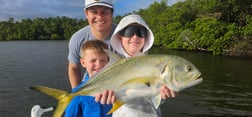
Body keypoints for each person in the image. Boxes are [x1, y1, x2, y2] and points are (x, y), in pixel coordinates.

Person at [96, 14, 176, 117]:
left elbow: (156, 100)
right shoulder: (113, 65)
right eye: (129, 31)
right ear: (120, 37)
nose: (135, 37)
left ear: (146, 37)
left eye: (140, 32)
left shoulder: (157, 65)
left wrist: (164, 95)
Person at [68, 0, 116, 88]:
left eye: (105, 12)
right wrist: (77, 94)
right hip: (90, 82)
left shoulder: (126, 37)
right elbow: (74, 68)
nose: (100, 17)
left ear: (111, 13)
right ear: (86, 14)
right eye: (94, 12)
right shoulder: (77, 39)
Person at [65, 40, 112, 117]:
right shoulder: (77, 94)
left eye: (103, 60)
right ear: (83, 62)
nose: (98, 64)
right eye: (93, 60)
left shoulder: (114, 86)